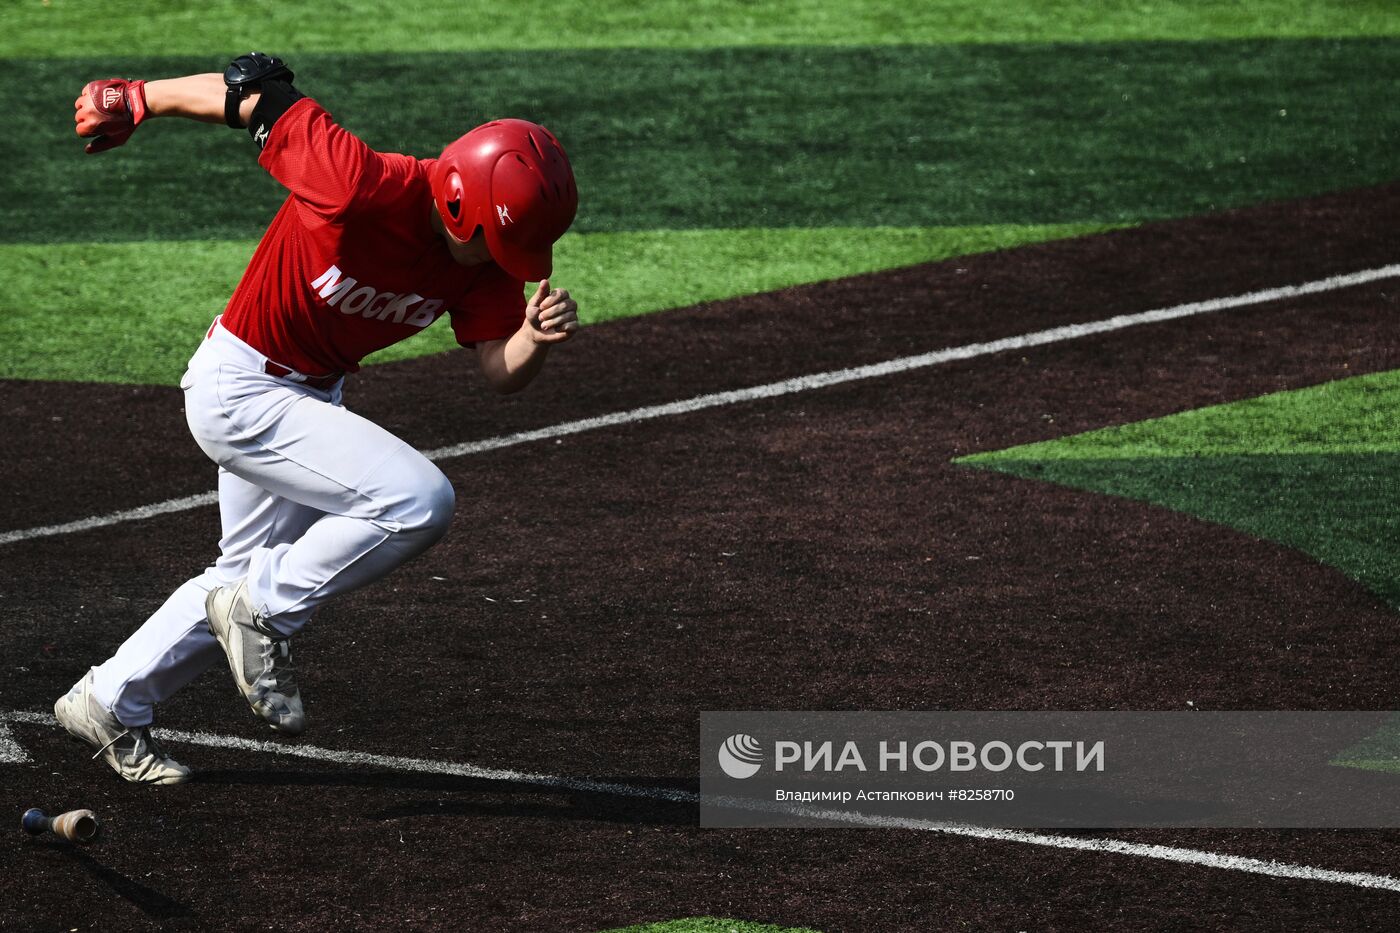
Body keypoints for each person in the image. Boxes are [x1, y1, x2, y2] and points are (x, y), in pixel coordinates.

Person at [53, 54, 580, 784]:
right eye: (499, 238)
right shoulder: (358, 181)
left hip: (306, 397)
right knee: (417, 500)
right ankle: (266, 610)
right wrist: (135, 98)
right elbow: (250, 95)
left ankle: (108, 699)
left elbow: (498, 371)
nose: (505, 259)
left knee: (237, 576)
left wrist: (533, 338)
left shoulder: (482, 260)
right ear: (459, 201)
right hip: (239, 387)